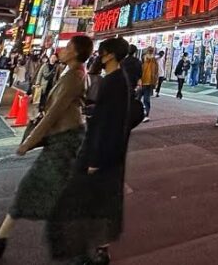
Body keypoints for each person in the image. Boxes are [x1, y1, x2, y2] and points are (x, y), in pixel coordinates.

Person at [0, 35, 92, 261]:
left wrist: (29, 141)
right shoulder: (71, 72)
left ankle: (82, 249)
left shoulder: (74, 75)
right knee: (38, 190)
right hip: (62, 139)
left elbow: (54, 114)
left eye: (68, 47)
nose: (62, 50)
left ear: (76, 52)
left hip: (65, 141)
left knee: (52, 194)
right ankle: (0, 239)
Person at [46, 37, 135, 264]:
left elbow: (113, 123)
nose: (98, 55)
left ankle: (94, 251)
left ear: (111, 55)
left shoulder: (115, 81)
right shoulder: (113, 79)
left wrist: (97, 158)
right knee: (97, 201)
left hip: (101, 154)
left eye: (102, 51)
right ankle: (95, 249)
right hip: (101, 151)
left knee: (90, 199)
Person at [139, 48, 158, 122]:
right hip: (146, 82)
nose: (149, 54)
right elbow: (156, 73)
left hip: (144, 82)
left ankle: (144, 114)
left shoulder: (151, 61)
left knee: (140, 99)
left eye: (150, 52)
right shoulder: (152, 61)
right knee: (145, 99)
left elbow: (155, 73)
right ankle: (144, 114)